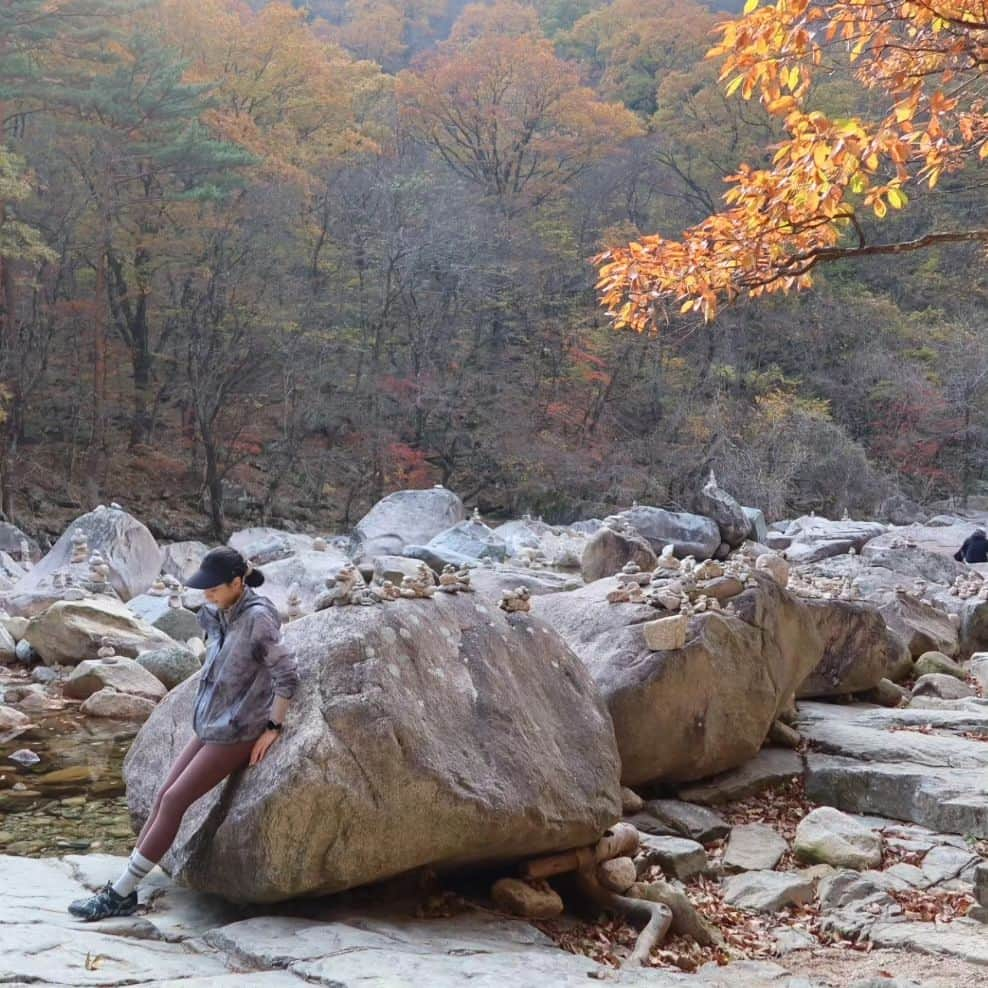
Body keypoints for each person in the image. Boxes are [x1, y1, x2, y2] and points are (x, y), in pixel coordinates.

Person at [68, 546, 299, 921]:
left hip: (239, 728)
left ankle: (120, 893)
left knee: (175, 800)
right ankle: (124, 888)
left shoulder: (259, 619)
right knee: (162, 795)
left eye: (213, 587)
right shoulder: (216, 613)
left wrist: (273, 727)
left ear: (238, 582)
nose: (206, 594)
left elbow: (287, 674)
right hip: (210, 721)